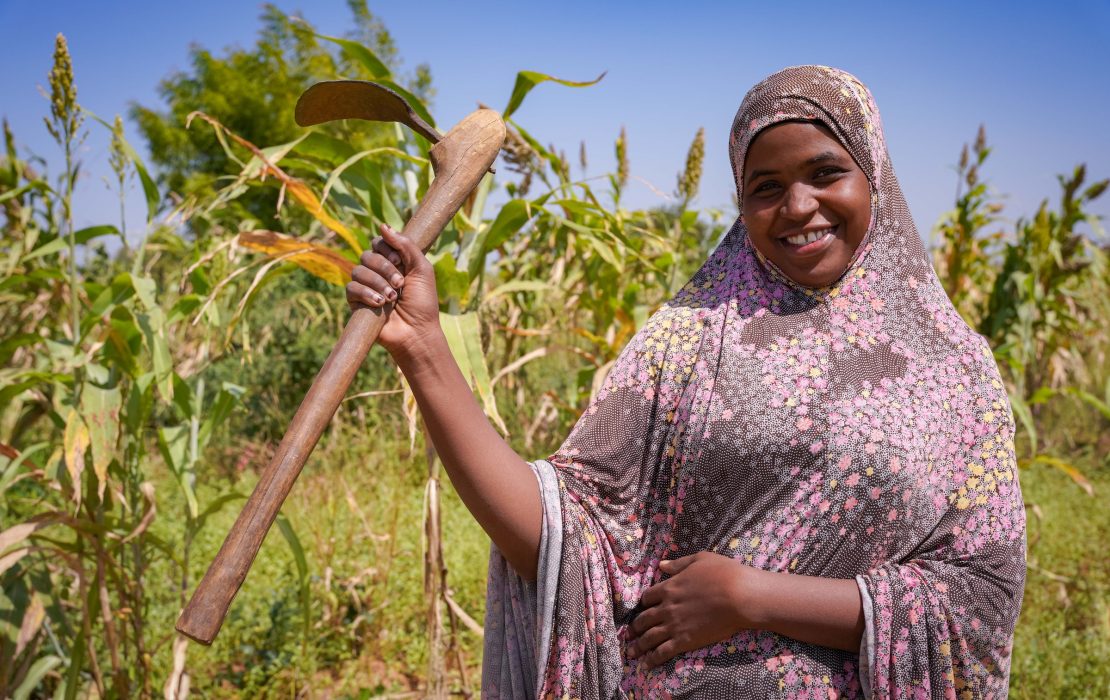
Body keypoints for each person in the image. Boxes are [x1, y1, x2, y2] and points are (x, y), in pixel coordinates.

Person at [347, 65, 1026, 699]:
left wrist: (749, 596)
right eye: (765, 186)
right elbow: (565, 545)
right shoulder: (691, 339)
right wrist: (424, 347)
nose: (797, 205)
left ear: (873, 174)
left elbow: (980, 597)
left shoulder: (954, 369)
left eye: (826, 173)